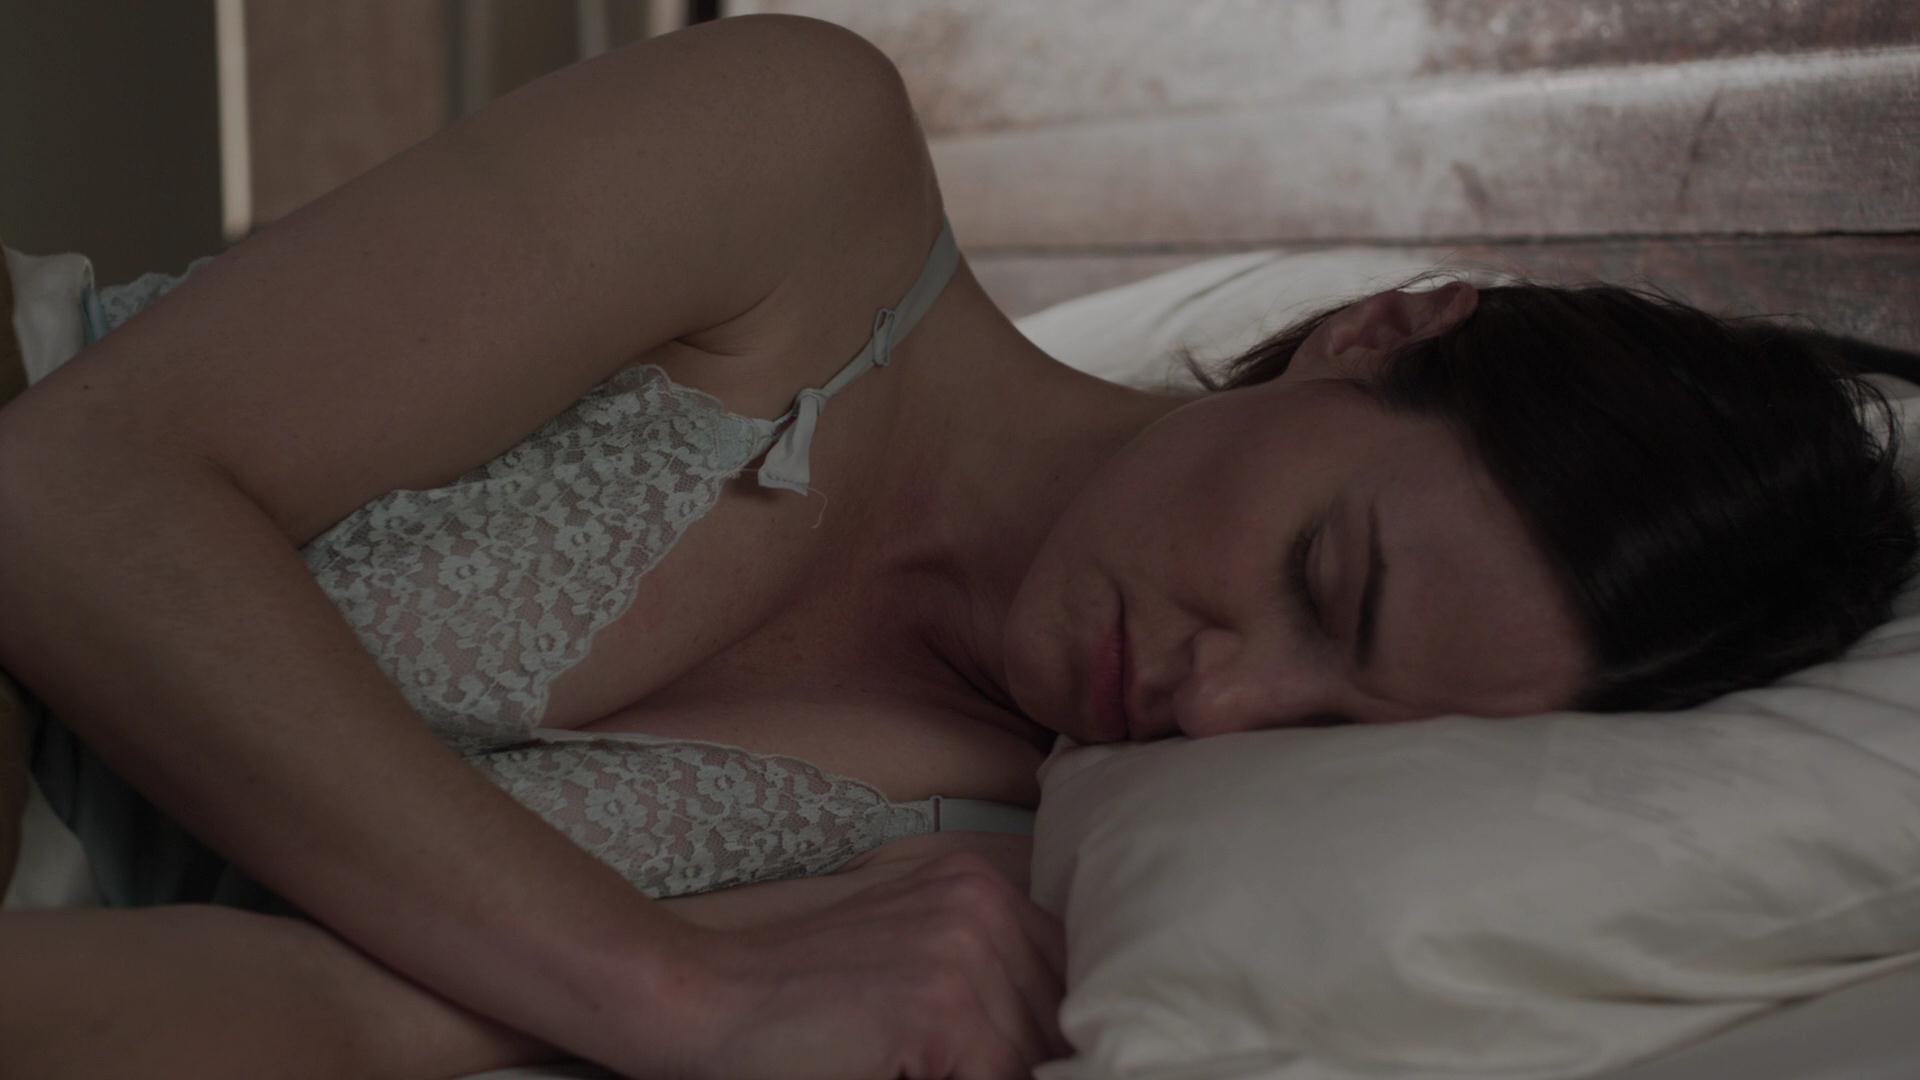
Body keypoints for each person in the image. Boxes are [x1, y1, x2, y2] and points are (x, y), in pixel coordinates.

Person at [0, 12, 1912, 1080]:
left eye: (1336, 736)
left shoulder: (981, 902)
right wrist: (665, 988)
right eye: (1325, 585)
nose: (1222, 704)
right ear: (1379, 329)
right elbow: (65, 491)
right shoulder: (797, 166)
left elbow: (282, 1018)